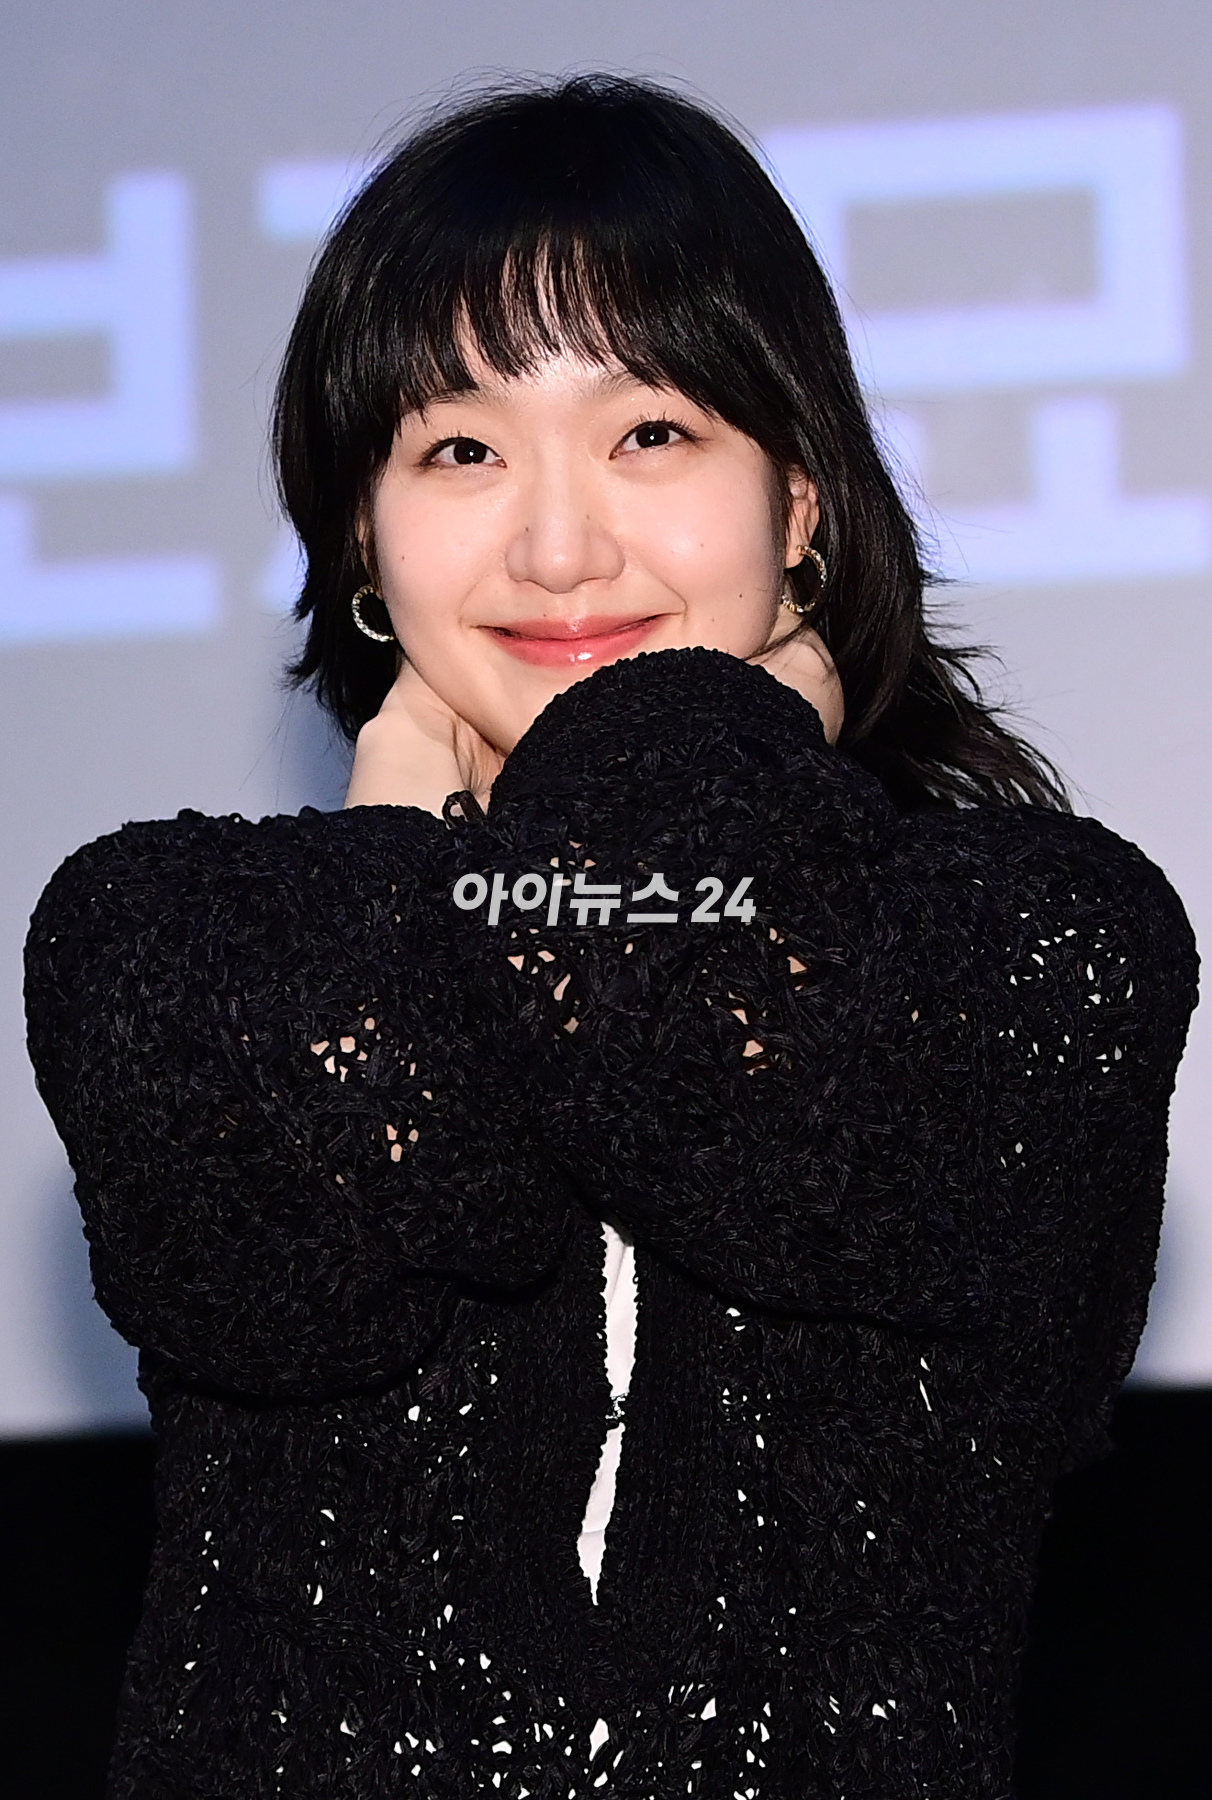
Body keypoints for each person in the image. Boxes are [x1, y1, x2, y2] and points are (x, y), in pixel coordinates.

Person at [24, 73, 1198, 1800]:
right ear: (362, 538)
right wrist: (399, 850)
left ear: (800, 501)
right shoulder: (167, 939)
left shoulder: (1037, 945)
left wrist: (693, 740)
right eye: (462, 450)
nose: (561, 545)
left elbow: (713, 1050)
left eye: (650, 433)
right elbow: (339, 1205)